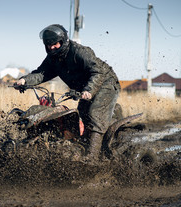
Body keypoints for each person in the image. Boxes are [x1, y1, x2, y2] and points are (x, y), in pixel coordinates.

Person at [16, 24, 120, 160]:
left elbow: (97, 72)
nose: (52, 47)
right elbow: (41, 73)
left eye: (55, 44)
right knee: (82, 113)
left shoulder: (80, 52)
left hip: (105, 82)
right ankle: (82, 147)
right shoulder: (53, 59)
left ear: (63, 41)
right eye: (49, 45)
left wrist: (89, 90)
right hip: (84, 87)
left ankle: (92, 157)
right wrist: (24, 81)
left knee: (94, 114)